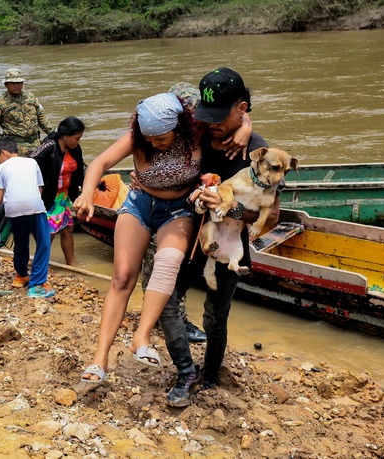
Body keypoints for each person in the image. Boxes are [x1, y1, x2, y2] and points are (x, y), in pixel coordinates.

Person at [161, 67, 279, 407]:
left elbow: (268, 217)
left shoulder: (258, 154)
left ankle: (210, 377)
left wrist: (231, 211)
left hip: (230, 245)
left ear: (242, 109)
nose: (212, 124)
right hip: (186, 234)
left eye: (221, 117)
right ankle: (186, 370)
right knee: (166, 298)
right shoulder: (197, 134)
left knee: (216, 315)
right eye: (206, 115)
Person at [72, 91, 202, 385]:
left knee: (168, 261)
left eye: (161, 139)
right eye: (149, 139)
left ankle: (141, 337)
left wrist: (245, 129)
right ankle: (99, 360)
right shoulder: (137, 138)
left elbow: (239, 120)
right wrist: (86, 194)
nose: (154, 144)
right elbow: (99, 163)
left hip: (178, 211)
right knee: (122, 278)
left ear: (179, 126)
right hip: (140, 204)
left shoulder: (197, 135)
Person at [0, 136, 55, 298]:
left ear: (4, 153)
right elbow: (39, 189)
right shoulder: (32, 162)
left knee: (21, 243)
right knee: (43, 244)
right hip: (35, 207)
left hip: (13, 210)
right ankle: (36, 285)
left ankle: (21, 276)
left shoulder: (0, 169)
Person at [31, 117, 85, 266]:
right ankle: (39, 265)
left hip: (63, 196)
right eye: (76, 138)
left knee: (68, 228)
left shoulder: (75, 149)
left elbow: (80, 172)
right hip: (49, 197)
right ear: (65, 135)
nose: (78, 141)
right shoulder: (49, 147)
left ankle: (71, 263)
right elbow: (30, 164)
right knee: (50, 232)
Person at [0, 68, 53, 157]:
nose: (16, 85)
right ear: (6, 84)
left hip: (36, 144)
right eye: (13, 83)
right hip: (15, 148)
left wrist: (52, 134)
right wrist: (0, 141)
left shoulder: (30, 97)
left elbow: (41, 117)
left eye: (19, 83)